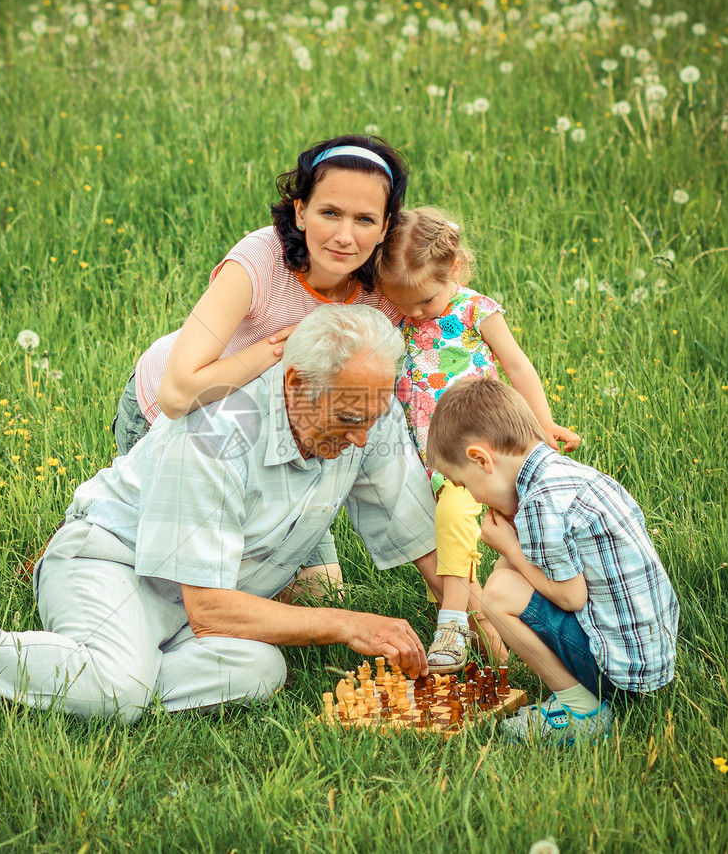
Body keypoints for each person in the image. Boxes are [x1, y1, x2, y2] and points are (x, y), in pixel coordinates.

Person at [0, 306, 440, 723]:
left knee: (262, 672)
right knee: (121, 694)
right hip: (113, 565)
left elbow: (407, 521)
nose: (364, 437)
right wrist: (349, 624)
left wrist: (475, 616)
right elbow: (211, 609)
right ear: (295, 383)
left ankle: (36, 679)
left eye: (373, 416)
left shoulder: (367, 407)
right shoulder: (216, 430)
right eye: (346, 418)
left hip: (201, 598)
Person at [113, 134, 409, 600]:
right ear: (300, 211)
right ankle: (77, 553)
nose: (345, 235)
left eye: (365, 219)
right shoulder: (260, 260)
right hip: (188, 426)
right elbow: (177, 394)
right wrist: (278, 351)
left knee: (321, 596)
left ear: (386, 227)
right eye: (330, 212)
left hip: (287, 438)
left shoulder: (385, 289)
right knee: (186, 587)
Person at [375, 207, 581, 674]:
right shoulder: (402, 317)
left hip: (481, 454)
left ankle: (451, 623)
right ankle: (495, 657)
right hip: (432, 462)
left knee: (454, 515)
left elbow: (518, 366)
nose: (413, 312)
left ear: (455, 269)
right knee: (449, 550)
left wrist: (542, 427)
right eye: (401, 303)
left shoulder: (473, 309)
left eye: (424, 301)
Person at [426, 378, 679, 744]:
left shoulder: (540, 503)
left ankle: (582, 709)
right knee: (508, 578)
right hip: (648, 654)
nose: (471, 497)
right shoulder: (564, 475)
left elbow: (570, 597)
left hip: (620, 672)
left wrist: (510, 547)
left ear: (481, 460)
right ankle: (585, 696)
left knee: (497, 594)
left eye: (462, 484)